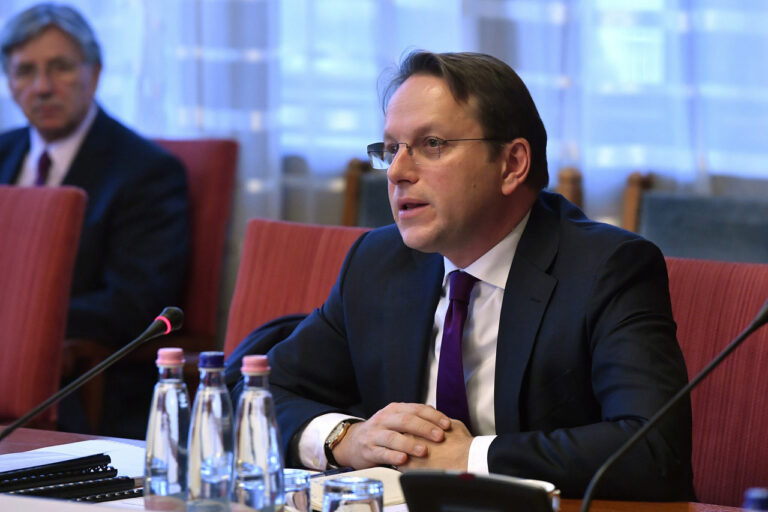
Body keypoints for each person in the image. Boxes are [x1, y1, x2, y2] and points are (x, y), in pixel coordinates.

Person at [263, 50, 694, 500]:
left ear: (512, 164)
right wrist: (347, 439)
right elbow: (259, 390)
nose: (398, 172)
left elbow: (654, 449)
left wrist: (469, 459)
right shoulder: (379, 262)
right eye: (391, 150)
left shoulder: (607, 269)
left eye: (432, 144)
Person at [0, 4, 189, 434]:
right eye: (25, 71)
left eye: (61, 67)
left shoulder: (146, 171)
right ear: (9, 82)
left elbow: (134, 302)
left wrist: (23, 324)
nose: (42, 87)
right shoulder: (3, 153)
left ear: (96, 73)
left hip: (81, 383)